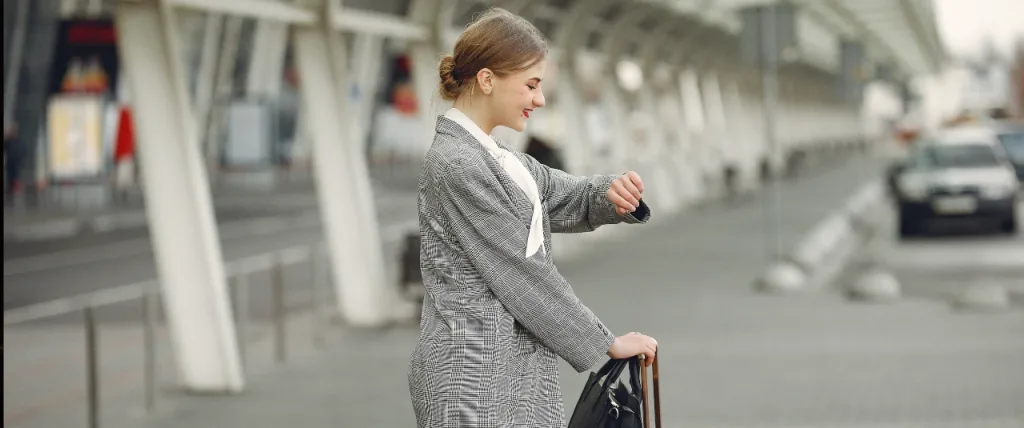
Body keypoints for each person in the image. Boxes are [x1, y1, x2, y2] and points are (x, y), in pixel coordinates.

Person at [407, 8, 658, 428]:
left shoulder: (498, 158)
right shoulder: (457, 163)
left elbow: (562, 195)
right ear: (487, 80)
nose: (539, 99)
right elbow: (521, 272)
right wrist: (605, 343)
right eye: (531, 85)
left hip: (501, 371)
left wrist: (609, 194)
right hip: (469, 378)